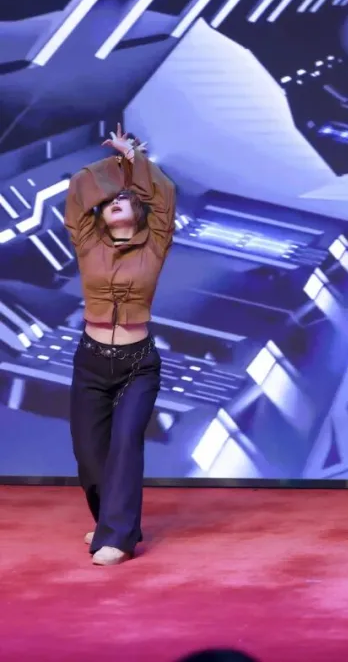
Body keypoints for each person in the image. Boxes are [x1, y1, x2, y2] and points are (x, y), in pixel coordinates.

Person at [63, 123, 176, 565]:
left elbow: (164, 197)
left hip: (137, 365)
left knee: (126, 444)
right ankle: (113, 520)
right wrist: (115, 166)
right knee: (89, 455)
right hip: (91, 362)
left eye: (124, 198)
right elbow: (78, 193)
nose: (114, 201)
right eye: (109, 199)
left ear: (139, 210)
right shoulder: (87, 240)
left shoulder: (157, 242)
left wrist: (135, 161)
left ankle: (118, 536)